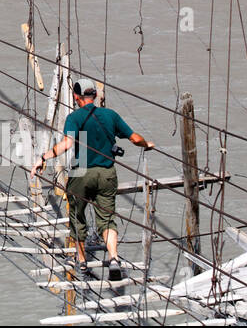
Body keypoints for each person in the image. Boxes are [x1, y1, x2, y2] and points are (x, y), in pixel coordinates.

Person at [30, 78, 154, 280]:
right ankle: (114, 258)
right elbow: (134, 138)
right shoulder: (110, 115)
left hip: (82, 174)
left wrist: (42, 158)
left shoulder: (74, 118)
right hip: (106, 174)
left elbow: (67, 145)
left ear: (76, 97)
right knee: (107, 219)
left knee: (77, 218)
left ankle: (82, 262)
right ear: (95, 96)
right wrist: (146, 144)